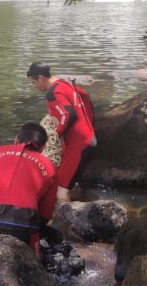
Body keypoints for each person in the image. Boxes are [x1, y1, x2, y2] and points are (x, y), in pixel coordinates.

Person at [0, 122, 62, 260]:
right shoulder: (49, 167)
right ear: (43, 147)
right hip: (19, 229)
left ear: (16, 139)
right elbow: (45, 215)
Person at [27, 61, 96, 204]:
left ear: (41, 78)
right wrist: (89, 123)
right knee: (65, 181)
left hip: (77, 146)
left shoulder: (52, 94)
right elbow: (85, 95)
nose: (34, 86)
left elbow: (68, 115)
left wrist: (54, 135)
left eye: (34, 82)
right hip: (88, 139)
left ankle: (65, 224)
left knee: (60, 191)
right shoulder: (66, 83)